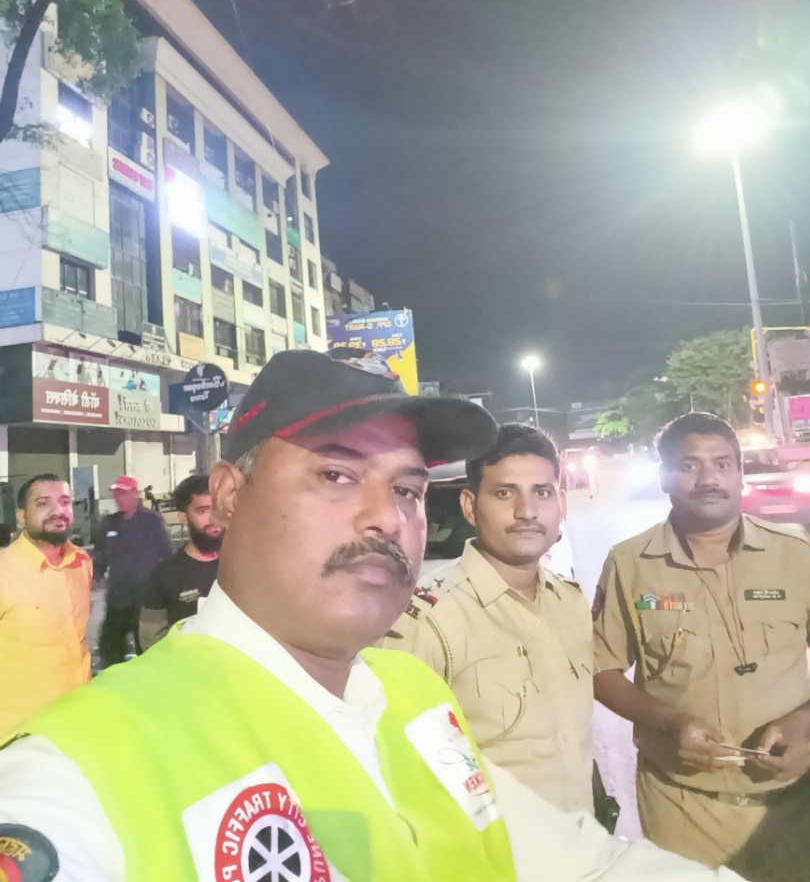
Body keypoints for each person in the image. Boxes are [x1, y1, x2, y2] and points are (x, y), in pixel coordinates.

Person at [0, 354, 747, 881]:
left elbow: (587, 865)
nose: (386, 517)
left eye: (408, 491)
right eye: (335, 473)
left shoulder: (413, 700)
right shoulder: (84, 767)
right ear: (227, 496)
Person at [593, 412, 810, 880]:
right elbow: (601, 670)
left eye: (722, 464)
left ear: (740, 473)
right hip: (681, 806)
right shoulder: (631, 564)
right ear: (664, 477)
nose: (709, 478)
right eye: (689, 465)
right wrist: (669, 722)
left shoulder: (797, 555)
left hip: (793, 805)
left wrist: (803, 723)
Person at [380, 423, 595, 814]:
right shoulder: (430, 621)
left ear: (561, 503)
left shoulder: (570, 602)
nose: (527, 511)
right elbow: (396, 771)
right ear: (469, 506)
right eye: (504, 493)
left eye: (542, 492)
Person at [0, 474, 92, 739]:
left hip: (76, 722)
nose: (57, 510)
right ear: (21, 516)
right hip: (20, 735)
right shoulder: (5, 571)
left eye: (65, 501)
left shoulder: (81, 563)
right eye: (43, 503)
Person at [95, 475, 171, 667]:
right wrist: (93, 577)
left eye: (123, 493)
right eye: (116, 494)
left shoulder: (151, 521)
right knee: (110, 649)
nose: (118, 498)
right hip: (118, 600)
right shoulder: (109, 523)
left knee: (146, 650)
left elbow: (166, 554)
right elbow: (101, 556)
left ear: (135, 494)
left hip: (145, 599)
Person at [139, 474, 221, 649]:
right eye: (203, 511)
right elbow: (151, 641)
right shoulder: (164, 576)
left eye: (217, 509)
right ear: (183, 517)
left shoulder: (243, 566)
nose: (213, 519)